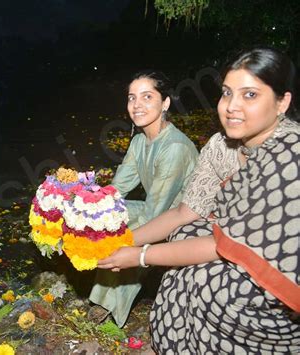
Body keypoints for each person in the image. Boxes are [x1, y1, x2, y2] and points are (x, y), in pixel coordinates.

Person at [98, 47, 300, 353]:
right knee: (181, 239)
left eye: (250, 95)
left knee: (204, 280)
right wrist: (123, 241)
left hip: (279, 276)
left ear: (282, 102)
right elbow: (184, 211)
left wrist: (138, 254)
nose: (232, 106)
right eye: (227, 93)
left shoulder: (288, 153)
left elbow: (225, 242)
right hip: (229, 242)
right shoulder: (220, 146)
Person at [89, 70, 199, 327]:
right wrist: (85, 209)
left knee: (126, 229)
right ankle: (100, 297)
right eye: (131, 98)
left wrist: (120, 237)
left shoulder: (174, 147)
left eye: (147, 97)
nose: (136, 105)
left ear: (165, 103)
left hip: (183, 221)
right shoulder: (139, 141)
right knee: (104, 216)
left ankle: (111, 310)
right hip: (156, 208)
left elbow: (157, 212)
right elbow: (118, 189)